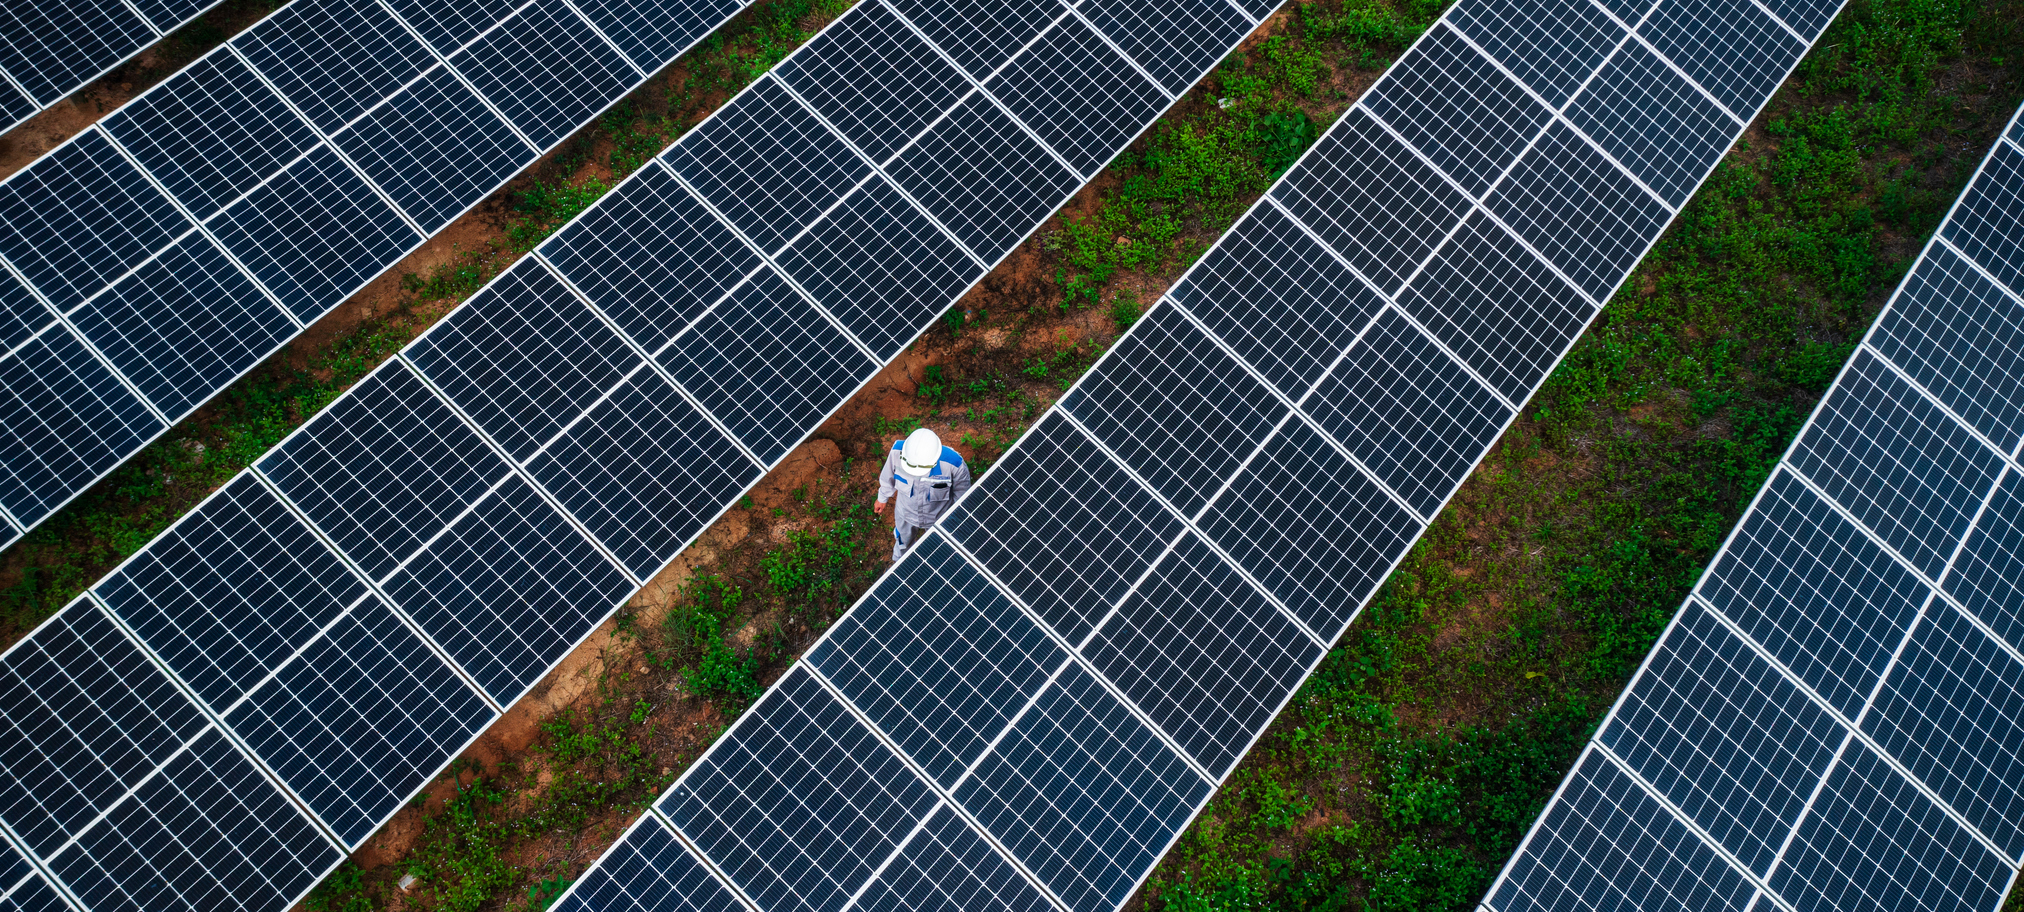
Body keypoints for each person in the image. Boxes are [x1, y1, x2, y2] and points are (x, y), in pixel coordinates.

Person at [874, 427, 971, 561]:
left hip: (938, 518)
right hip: (905, 513)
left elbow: (962, 496)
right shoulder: (898, 451)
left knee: (939, 548)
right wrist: (882, 497)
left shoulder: (954, 463)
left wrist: (954, 521)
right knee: (903, 543)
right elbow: (888, 476)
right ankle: (900, 566)